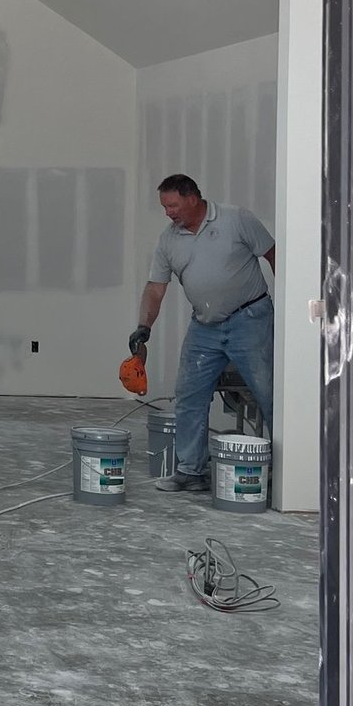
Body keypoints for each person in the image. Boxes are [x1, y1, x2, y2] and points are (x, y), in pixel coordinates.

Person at [130, 173, 275, 494]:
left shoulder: (237, 219)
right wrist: (144, 326)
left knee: (269, 393)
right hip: (204, 327)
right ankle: (190, 471)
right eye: (164, 206)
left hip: (250, 318)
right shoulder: (169, 240)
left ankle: (282, 470)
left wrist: (294, 308)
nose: (167, 212)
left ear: (192, 198)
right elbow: (155, 288)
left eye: (172, 205)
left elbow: (274, 256)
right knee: (189, 394)